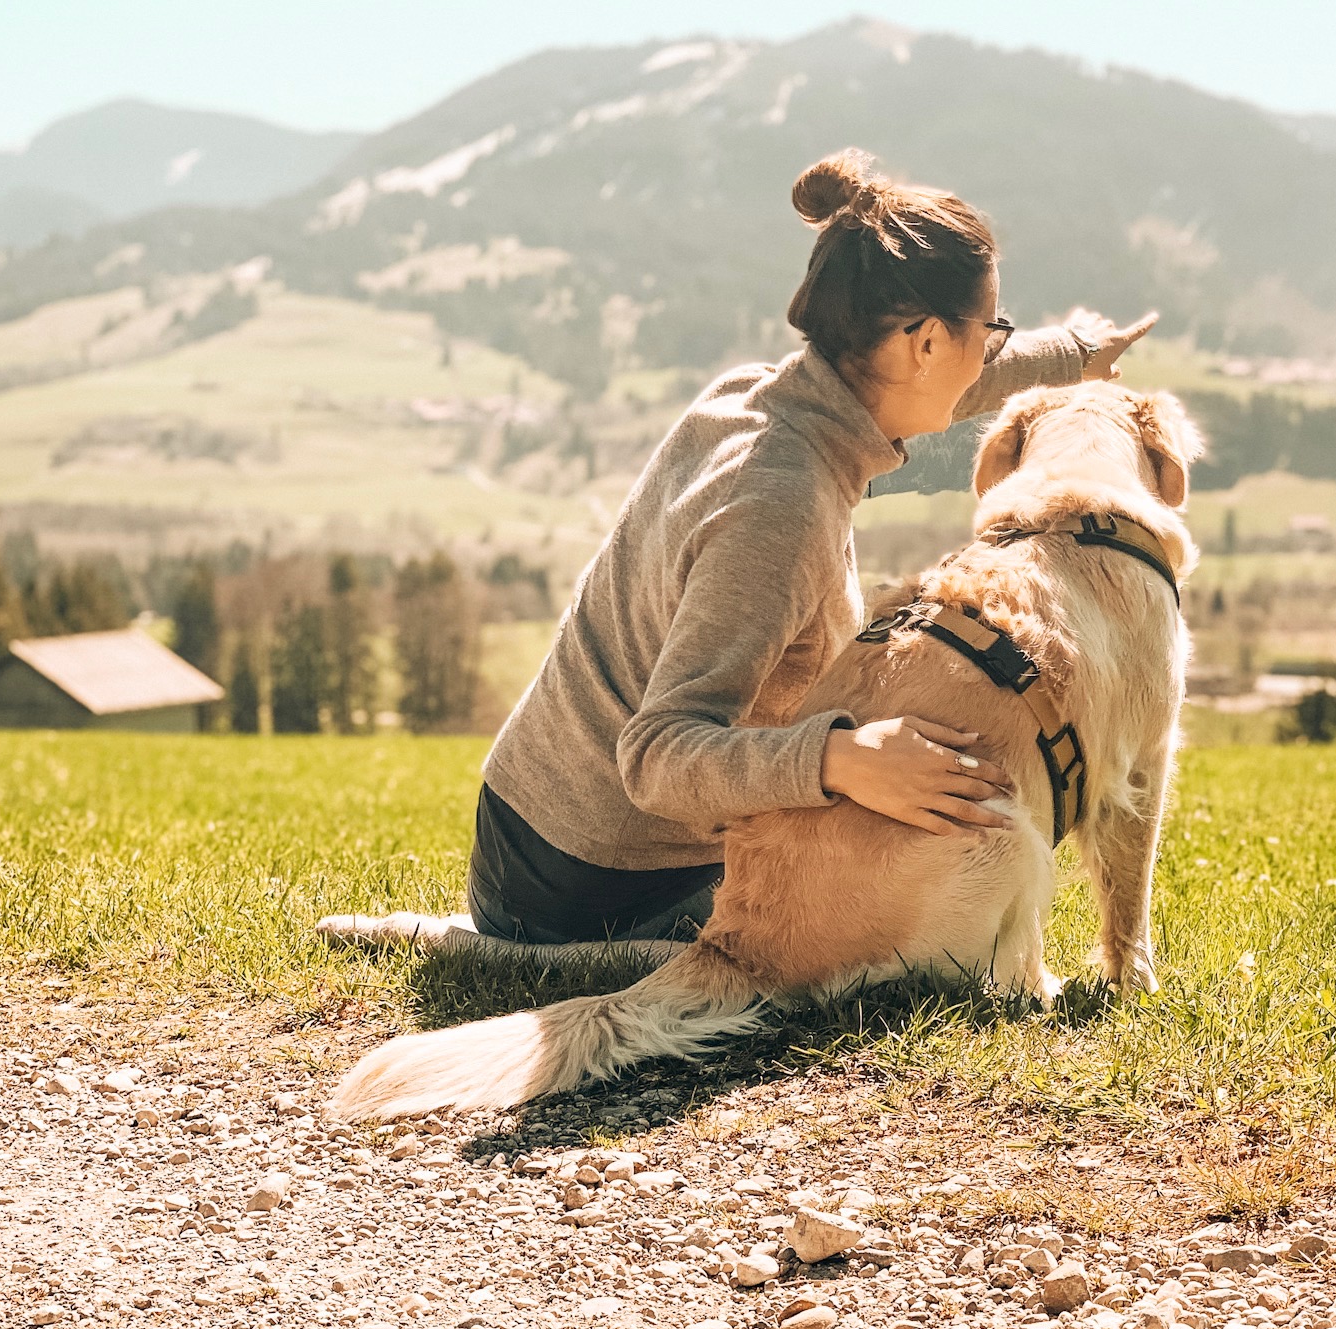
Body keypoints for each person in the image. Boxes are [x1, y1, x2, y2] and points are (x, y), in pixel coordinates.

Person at [470, 148, 1157, 945]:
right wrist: (844, 758)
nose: (997, 352)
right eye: (993, 333)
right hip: (596, 881)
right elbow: (655, 754)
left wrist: (1074, 354)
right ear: (927, 343)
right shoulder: (781, 504)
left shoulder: (761, 396)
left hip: (526, 827)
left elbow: (945, 383)